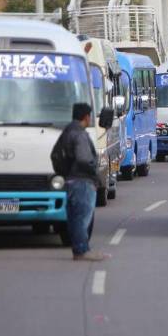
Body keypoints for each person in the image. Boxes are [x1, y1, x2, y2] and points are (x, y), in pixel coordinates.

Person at [61, 103, 110, 261]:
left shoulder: (68, 131)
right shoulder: (79, 134)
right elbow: (84, 158)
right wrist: (94, 176)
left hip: (70, 179)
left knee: (75, 217)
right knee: (82, 218)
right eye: (90, 116)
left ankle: (79, 249)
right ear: (86, 117)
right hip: (82, 180)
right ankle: (82, 250)